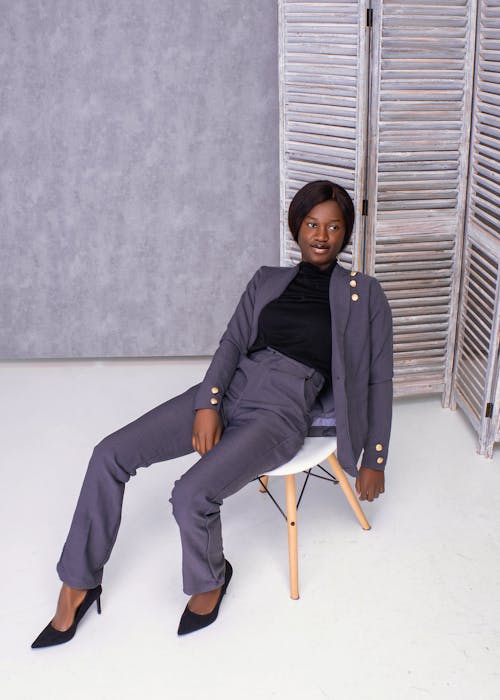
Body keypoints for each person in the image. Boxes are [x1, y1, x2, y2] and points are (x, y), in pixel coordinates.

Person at [31, 180, 393, 647]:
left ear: (345, 234)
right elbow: (234, 343)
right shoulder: (267, 279)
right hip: (234, 385)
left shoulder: (366, 296)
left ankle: (210, 582)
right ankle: (78, 583)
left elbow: (379, 379)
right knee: (109, 454)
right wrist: (209, 401)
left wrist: (374, 458)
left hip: (282, 409)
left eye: (333, 227)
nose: (320, 235)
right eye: (311, 224)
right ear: (296, 227)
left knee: (190, 496)